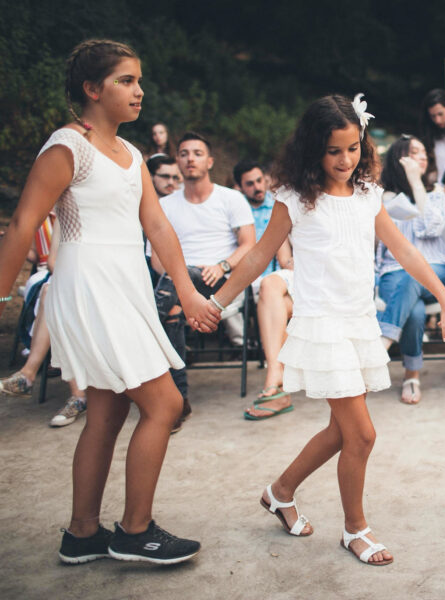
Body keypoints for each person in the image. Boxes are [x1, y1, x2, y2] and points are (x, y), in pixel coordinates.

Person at [206, 94, 445, 566]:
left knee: (339, 431)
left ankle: (280, 492)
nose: (345, 160)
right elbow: (259, 255)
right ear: (313, 150)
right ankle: (355, 530)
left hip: (359, 322)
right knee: (362, 435)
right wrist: (217, 300)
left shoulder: (369, 194)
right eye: (333, 151)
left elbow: (408, 254)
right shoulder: (293, 199)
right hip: (322, 324)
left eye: (353, 148)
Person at [0, 39, 217, 565]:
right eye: (126, 81)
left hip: (128, 284)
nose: (139, 91)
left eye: (139, 80)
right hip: (89, 286)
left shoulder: (132, 154)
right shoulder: (65, 148)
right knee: (165, 404)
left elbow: (158, 226)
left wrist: (187, 292)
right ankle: (135, 531)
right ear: (92, 89)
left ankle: (81, 534)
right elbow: (25, 224)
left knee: (107, 410)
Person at [150, 132, 255, 430]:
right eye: (183, 153)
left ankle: (146, 332)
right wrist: (183, 277)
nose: (190, 158)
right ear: (178, 161)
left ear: (209, 161)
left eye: (197, 153)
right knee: (171, 308)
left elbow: (249, 244)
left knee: (170, 297)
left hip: (221, 285)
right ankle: (179, 401)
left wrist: (223, 266)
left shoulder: (230, 198)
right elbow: (157, 259)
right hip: (177, 286)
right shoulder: (165, 206)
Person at [376, 135, 445, 404]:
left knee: (415, 275)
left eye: (424, 152)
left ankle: (384, 339)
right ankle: (411, 376)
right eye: (414, 152)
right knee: (415, 309)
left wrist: (415, 182)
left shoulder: (436, 195)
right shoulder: (380, 198)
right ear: (399, 158)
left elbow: (431, 227)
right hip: (392, 272)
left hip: (437, 270)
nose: (422, 157)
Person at [0, 222, 88, 426]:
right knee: (54, 295)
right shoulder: (61, 216)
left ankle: (29, 375)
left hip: (102, 283)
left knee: (53, 296)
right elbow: (52, 261)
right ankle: (75, 395)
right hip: (68, 280)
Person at [232, 158, 295, 419]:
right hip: (251, 282)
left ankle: (274, 377)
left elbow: (284, 257)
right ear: (240, 187)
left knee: (272, 292)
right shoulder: (237, 211)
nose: (258, 187)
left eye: (260, 181)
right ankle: (279, 384)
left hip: (277, 281)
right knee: (278, 303)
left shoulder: (278, 205)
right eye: (250, 184)